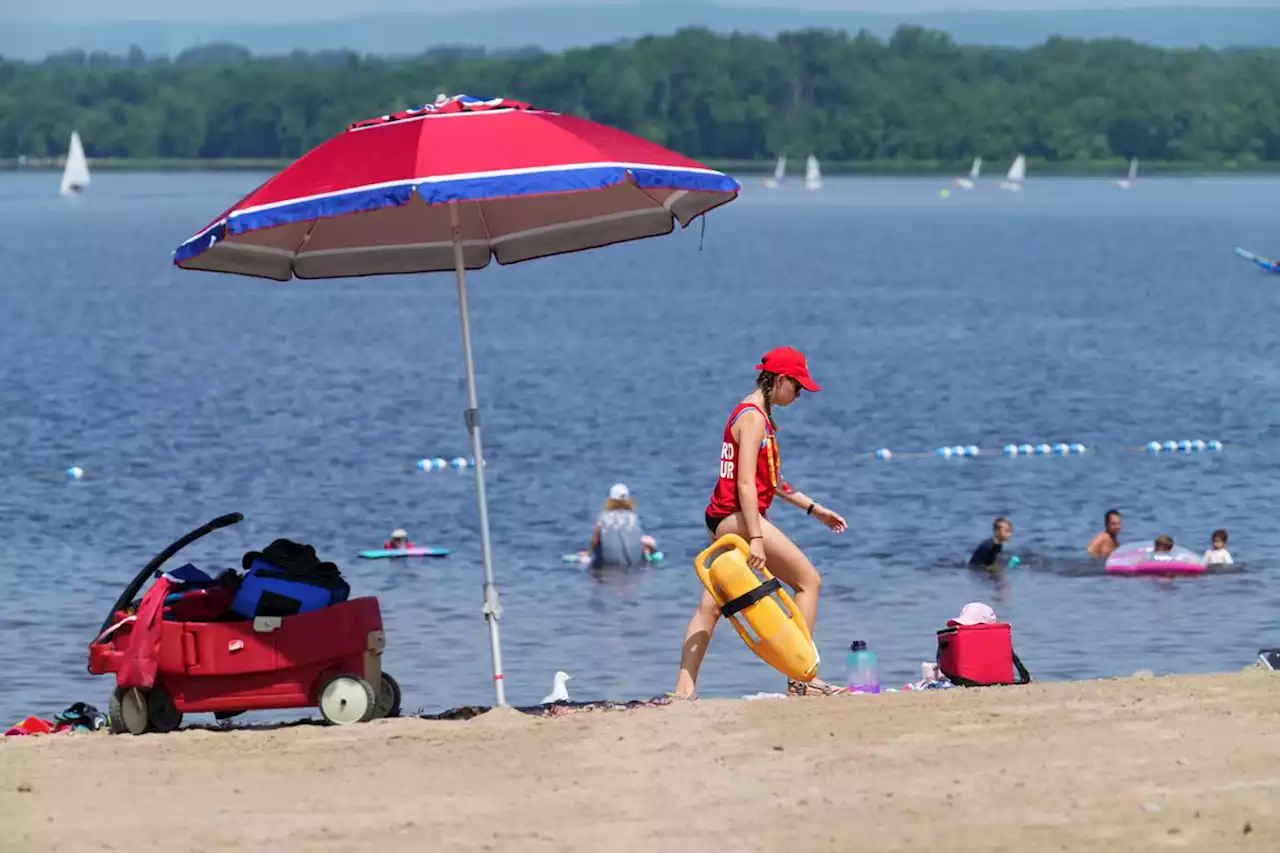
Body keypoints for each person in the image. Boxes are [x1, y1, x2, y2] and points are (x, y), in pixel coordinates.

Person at [673, 346, 848, 699]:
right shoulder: (753, 418)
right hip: (737, 520)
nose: (799, 395)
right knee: (808, 582)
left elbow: (771, 480)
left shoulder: (752, 413)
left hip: (721, 517)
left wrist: (814, 509)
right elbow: (744, 484)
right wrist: (755, 537)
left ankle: (683, 691)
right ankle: (803, 679)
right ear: (780, 380)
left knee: (711, 607)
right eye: (797, 388)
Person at [585, 483, 658, 567]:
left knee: (599, 543)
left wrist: (588, 552)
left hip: (610, 565)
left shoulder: (603, 517)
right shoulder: (633, 517)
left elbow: (594, 540)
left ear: (610, 499)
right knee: (645, 540)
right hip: (635, 565)